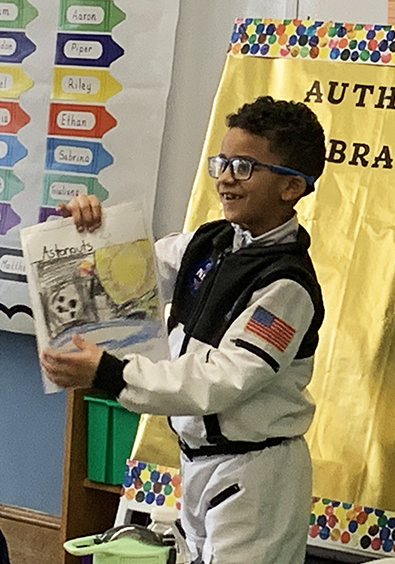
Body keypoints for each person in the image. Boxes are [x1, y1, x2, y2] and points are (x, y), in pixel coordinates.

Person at [40, 96, 326, 564]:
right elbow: (124, 276)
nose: (226, 177)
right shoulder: (208, 243)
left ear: (292, 186)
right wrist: (89, 232)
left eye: (245, 166)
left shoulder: (285, 286)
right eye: (222, 161)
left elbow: (220, 381)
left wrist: (112, 374)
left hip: (257, 475)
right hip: (199, 464)